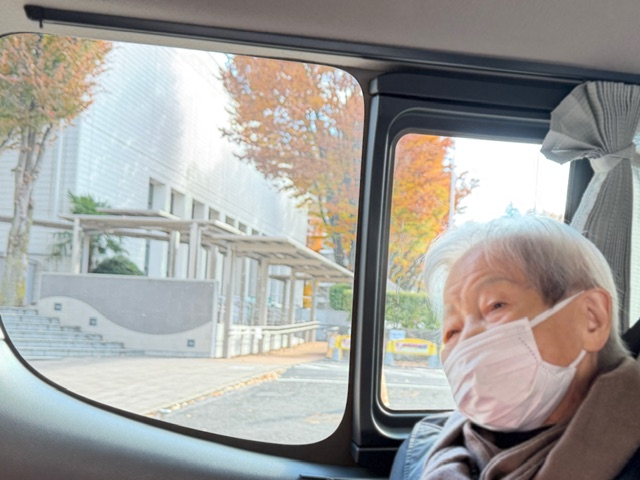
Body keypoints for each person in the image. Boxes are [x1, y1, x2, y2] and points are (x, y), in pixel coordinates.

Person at [390, 215, 640, 480]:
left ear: (591, 318)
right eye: (452, 331)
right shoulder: (417, 455)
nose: (467, 339)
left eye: (495, 306)